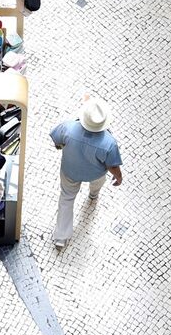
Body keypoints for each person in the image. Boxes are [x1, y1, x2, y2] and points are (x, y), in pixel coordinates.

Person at [49, 97, 123, 250]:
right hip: (95, 174)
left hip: (70, 171)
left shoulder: (68, 128)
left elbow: (56, 140)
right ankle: (93, 194)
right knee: (97, 185)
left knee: (66, 199)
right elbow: (112, 165)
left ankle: (61, 238)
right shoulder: (109, 143)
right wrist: (119, 177)